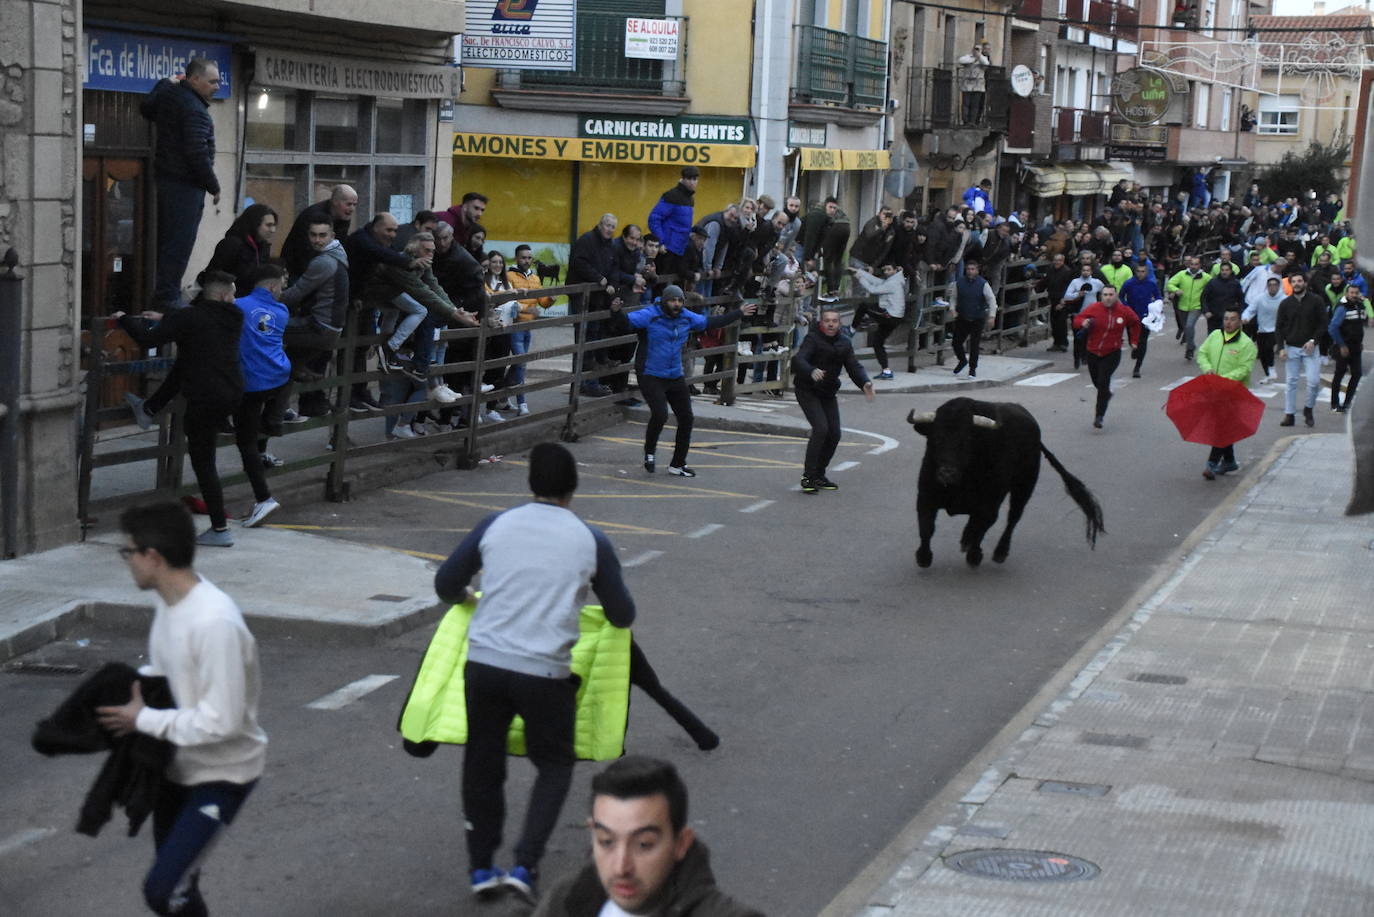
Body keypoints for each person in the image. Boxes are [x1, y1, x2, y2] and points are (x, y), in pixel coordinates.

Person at [433, 443, 635, 902]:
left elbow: (446, 585)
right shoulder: (591, 539)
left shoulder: (496, 525)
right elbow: (621, 613)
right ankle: (525, 864)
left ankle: (482, 867)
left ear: (531, 484)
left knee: (483, 763)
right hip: (545, 672)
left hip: (484, 664)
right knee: (555, 763)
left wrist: (470, 597)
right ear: (573, 487)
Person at [96, 501, 267, 916]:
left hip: (222, 775)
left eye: (128, 552)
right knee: (179, 889)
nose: (126, 562)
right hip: (176, 767)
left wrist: (144, 719)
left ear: (152, 558)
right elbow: (167, 670)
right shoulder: (169, 602)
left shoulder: (214, 623)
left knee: (164, 889)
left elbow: (222, 721)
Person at [532, 756, 763, 917]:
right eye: (606, 842)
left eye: (644, 845)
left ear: (681, 843)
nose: (622, 867)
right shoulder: (567, 898)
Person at [117, 272, 244, 546]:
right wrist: (167, 319)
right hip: (231, 391)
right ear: (223, 296)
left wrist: (123, 319)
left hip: (204, 395)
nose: (233, 299)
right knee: (186, 359)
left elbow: (147, 340)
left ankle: (220, 529)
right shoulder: (234, 317)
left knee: (204, 461)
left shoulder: (191, 318)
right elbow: (197, 324)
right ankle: (150, 409)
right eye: (232, 294)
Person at [612, 285, 755, 477]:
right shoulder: (650, 314)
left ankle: (677, 464)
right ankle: (650, 452)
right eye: (673, 300)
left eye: (679, 301)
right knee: (660, 414)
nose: (676, 304)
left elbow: (711, 322)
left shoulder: (686, 316)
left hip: (674, 374)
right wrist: (615, 311)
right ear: (664, 300)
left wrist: (739, 313)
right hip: (650, 373)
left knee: (687, 417)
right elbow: (625, 324)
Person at [140, 58, 221, 310]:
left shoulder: (170, 97)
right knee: (179, 243)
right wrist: (213, 185)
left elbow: (146, 107)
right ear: (194, 79)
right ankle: (167, 297)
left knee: (168, 242)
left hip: (167, 179)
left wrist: (165, 82)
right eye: (212, 81)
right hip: (186, 185)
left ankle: (165, 294)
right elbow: (197, 152)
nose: (217, 86)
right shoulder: (194, 109)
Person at [791, 308, 875, 494]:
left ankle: (819, 475)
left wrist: (865, 382)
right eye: (827, 320)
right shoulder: (812, 339)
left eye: (834, 321)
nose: (830, 324)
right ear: (821, 323)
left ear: (839, 324)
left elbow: (853, 366)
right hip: (807, 390)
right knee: (821, 429)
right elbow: (799, 359)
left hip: (827, 392)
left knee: (834, 434)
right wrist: (811, 370)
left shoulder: (844, 342)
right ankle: (808, 476)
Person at [230, 265, 290, 522]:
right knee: (259, 426)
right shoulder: (282, 310)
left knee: (245, 442)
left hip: (253, 382)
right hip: (279, 376)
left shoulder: (238, 306)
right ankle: (265, 447)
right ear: (273, 286)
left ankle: (263, 497)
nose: (283, 290)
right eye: (282, 285)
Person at [281, 217, 349, 418]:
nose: (317, 240)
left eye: (322, 235)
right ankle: (283, 407)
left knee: (265, 328)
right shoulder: (338, 254)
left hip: (320, 327)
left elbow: (296, 293)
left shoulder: (324, 261)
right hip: (331, 328)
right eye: (313, 235)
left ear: (332, 236)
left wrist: (264, 301)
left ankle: (274, 409)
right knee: (287, 364)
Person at [1196, 307, 1258, 479]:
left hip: (1233, 393)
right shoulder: (1215, 335)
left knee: (1221, 427)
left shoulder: (1246, 344)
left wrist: (1224, 379)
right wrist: (1207, 369)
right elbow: (1202, 353)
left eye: (1232, 319)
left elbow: (1245, 369)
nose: (1228, 322)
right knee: (1224, 426)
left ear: (1239, 322)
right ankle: (1229, 460)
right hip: (1214, 389)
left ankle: (1211, 463)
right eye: (1226, 319)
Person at [1073, 284, 1141, 429]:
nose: (1108, 298)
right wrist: (1083, 322)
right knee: (1098, 383)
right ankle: (1106, 394)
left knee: (1103, 382)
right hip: (1092, 351)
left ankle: (1099, 416)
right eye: (1105, 295)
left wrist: (1134, 341)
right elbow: (1077, 320)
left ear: (1116, 296)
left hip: (1112, 352)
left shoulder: (1124, 311)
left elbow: (1135, 323)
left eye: (1111, 295)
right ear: (1101, 296)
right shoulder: (1094, 308)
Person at [568, 214, 622, 397]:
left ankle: (589, 382)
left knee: (593, 340)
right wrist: (598, 278)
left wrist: (612, 283)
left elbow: (615, 267)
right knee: (583, 340)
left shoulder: (610, 246)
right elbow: (579, 263)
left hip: (598, 298)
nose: (609, 229)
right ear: (599, 224)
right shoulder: (587, 240)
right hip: (583, 298)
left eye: (613, 226)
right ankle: (580, 383)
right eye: (607, 225)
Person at [507, 244, 555, 416]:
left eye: (529, 258)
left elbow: (542, 302)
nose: (527, 261)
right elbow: (508, 304)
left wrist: (551, 299)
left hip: (528, 328)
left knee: (518, 365)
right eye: (523, 257)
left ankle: (500, 397)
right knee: (521, 364)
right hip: (514, 327)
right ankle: (522, 403)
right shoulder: (509, 276)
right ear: (516, 259)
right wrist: (527, 310)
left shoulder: (535, 278)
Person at [1275, 273, 1328, 427]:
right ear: (1290, 284)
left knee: (1313, 382)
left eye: (1300, 281)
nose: (1297, 284)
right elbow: (1279, 327)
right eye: (1294, 281)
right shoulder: (1285, 303)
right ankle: (1289, 414)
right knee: (1291, 382)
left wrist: (1313, 341)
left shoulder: (1316, 301)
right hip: (1291, 348)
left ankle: (1308, 409)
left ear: (1305, 283)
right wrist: (1281, 348)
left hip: (1311, 349)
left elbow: (1323, 324)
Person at [280, 185, 358, 278]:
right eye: (348, 204)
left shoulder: (343, 217)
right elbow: (303, 250)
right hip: (296, 267)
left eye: (354, 205)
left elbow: (339, 245)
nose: (352, 209)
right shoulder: (314, 216)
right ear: (335, 201)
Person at [849, 262, 907, 379]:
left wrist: (860, 278)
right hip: (894, 317)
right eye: (885, 270)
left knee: (864, 306)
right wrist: (859, 272)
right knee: (877, 343)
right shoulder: (894, 280)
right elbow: (876, 281)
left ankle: (852, 329)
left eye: (889, 269)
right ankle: (886, 371)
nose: (886, 272)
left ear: (895, 270)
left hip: (890, 316)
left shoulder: (893, 283)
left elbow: (873, 289)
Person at [206, 204, 278, 296]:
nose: (273, 230)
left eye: (274, 225)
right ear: (254, 224)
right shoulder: (232, 244)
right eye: (268, 225)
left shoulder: (263, 248)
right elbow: (214, 276)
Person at [647, 166, 698, 283]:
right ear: (683, 179)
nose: (692, 182)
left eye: (695, 179)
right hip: (667, 250)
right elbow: (654, 219)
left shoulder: (690, 199)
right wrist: (661, 241)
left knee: (676, 285)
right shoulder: (671, 196)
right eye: (689, 179)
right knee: (660, 284)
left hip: (681, 249)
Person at [949, 261, 997, 377]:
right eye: (968, 269)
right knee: (956, 342)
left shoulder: (983, 284)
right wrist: (952, 309)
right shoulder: (959, 283)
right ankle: (962, 360)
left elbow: (991, 300)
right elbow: (953, 298)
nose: (970, 271)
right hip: (963, 316)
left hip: (977, 317)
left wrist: (992, 316)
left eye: (972, 269)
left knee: (974, 345)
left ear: (977, 270)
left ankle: (972, 369)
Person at [1328, 285, 1370, 414]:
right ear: (1347, 293)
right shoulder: (1342, 308)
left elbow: (1359, 326)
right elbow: (1332, 328)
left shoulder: (1360, 305)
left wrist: (1360, 342)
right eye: (1351, 292)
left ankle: (1347, 403)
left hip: (1356, 346)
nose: (1354, 295)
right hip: (1344, 347)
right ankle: (1335, 404)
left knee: (1357, 374)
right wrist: (1341, 345)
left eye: (1356, 293)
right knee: (1339, 374)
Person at [1120, 263, 1162, 378]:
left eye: (1143, 271)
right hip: (1131, 316)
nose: (1140, 274)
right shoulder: (1129, 283)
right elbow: (1121, 296)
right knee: (1132, 340)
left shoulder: (1151, 283)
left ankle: (1137, 367)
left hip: (1146, 317)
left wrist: (1156, 306)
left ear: (1147, 272)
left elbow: (1158, 296)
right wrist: (1126, 306)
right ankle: (1134, 348)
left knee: (1143, 341)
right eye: (1138, 271)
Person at [1242, 274, 1285, 384]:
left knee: (1268, 347)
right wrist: (1245, 317)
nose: (1272, 287)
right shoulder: (1260, 298)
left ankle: (1272, 369)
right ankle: (1268, 374)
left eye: (1275, 285)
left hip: (1277, 330)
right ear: (1267, 286)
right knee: (1261, 353)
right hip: (1262, 329)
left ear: (1279, 286)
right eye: (1270, 285)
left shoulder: (1284, 299)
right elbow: (1250, 310)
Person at [1061, 261, 1104, 370]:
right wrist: (1077, 294)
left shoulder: (1097, 282)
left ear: (1091, 271)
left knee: (1090, 336)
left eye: (1087, 270)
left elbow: (1106, 291)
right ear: (1081, 271)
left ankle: (1086, 356)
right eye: (1083, 270)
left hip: (1092, 315)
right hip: (1078, 314)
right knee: (1078, 337)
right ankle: (1076, 358)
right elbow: (1067, 296)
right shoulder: (1075, 282)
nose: (1085, 272)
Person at [1166, 255, 1209, 361]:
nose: (1193, 266)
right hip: (1182, 306)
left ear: (1200, 265)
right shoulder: (1182, 274)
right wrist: (1176, 290)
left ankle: (1189, 348)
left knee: (1189, 326)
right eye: (1192, 264)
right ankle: (1192, 345)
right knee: (1186, 328)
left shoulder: (1205, 277)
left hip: (1196, 306)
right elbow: (1170, 283)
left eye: (1196, 264)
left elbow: (1213, 287)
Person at [1038, 252, 1076, 352]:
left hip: (1063, 300)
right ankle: (1056, 342)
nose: (1057, 262)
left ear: (1063, 261)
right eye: (1055, 260)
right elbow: (1044, 282)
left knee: (1061, 322)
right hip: (1053, 298)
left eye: (1059, 260)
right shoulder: (1051, 270)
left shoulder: (1067, 272)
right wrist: (1037, 288)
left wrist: (1064, 301)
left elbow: (1070, 288)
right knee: (1054, 322)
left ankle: (1063, 343)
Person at [956, 44, 990, 125]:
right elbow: (961, 60)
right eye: (976, 49)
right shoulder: (968, 57)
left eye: (979, 49)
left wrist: (979, 56)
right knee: (965, 104)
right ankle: (965, 121)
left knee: (975, 105)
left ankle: (972, 121)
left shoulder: (983, 58)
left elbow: (986, 63)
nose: (977, 50)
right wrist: (974, 59)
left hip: (978, 85)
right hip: (967, 85)